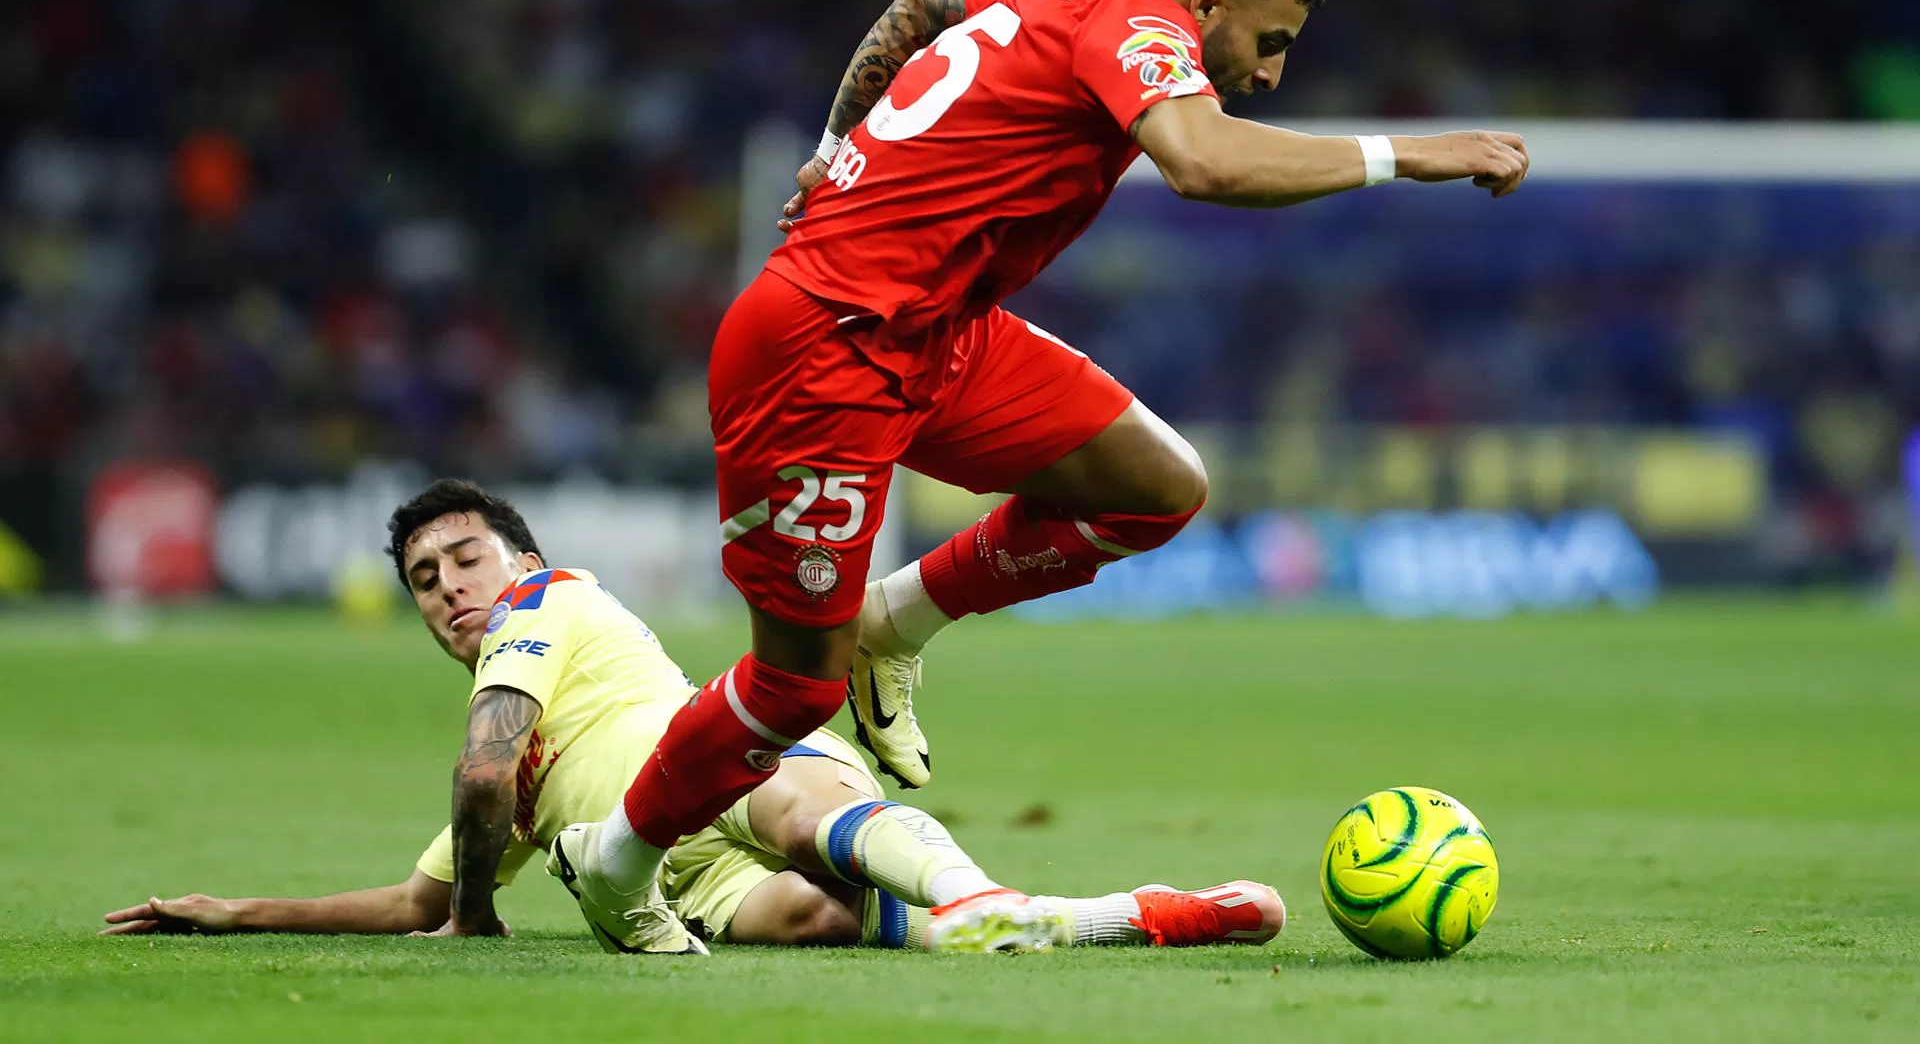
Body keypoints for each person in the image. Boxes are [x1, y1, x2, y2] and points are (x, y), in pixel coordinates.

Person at [557, 0, 1530, 954]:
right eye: (1271, 37)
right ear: (1207, 0)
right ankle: (617, 860)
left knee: (1157, 488)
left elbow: (921, 3)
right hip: (824, 347)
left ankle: (897, 621)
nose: (1271, 71)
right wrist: (1412, 155)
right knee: (793, 685)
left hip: (938, 332)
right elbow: (1202, 162)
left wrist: (836, 148)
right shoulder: (1135, 23)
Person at [100, 479, 1285, 955]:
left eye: (464, 557)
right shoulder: (525, 761)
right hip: (688, 881)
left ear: (522, 559)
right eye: (425, 577)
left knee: (788, 789)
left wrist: (476, 915)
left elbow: (475, 788)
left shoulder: (544, 601)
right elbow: (419, 895)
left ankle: (982, 896)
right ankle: (1091, 918)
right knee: (817, 919)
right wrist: (234, 911)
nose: (449, 585)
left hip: (719, 762)